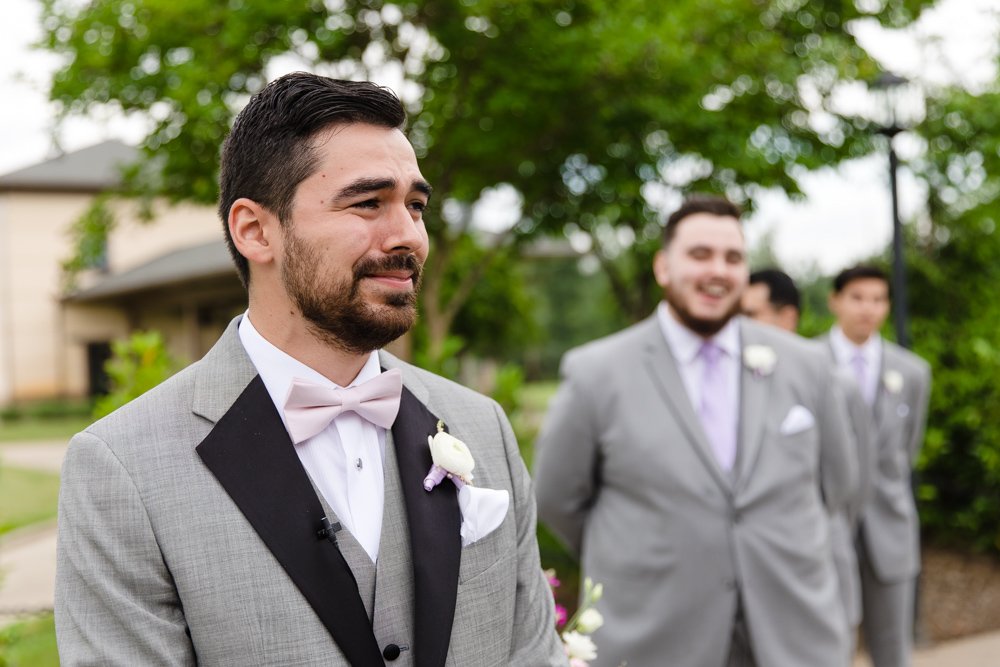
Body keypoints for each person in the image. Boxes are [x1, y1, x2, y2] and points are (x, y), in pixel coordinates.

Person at [55, 72, 565, 667]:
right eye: (368, 202)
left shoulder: (482, 425)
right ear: (255, 230)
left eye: (416, 206)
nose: (409, 236)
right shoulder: (122, 467)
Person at [534, 195, 858, 667]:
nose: (718, 271)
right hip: (657, 637)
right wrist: (642, 549)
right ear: (663, 267)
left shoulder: (808, 367)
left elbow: (839, 488)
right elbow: (558, 497)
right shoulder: (596, 374)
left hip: (795, 635)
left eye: (733, 258)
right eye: (700, 254)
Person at [742, 267, 876, 651]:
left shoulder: (838, 383)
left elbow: (853, 482)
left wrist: (818, 530)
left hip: (820, 566)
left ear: (787, 317)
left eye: (750, 314)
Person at [820, 265, 932, 667]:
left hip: (891, 528)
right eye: (857, 297)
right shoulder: (807, 363)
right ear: (835, 300)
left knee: (893, 652)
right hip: (827, 531)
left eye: (878, 299)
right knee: (827, 647)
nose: (868, 308)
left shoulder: (913, 372)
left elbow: (908, 448)